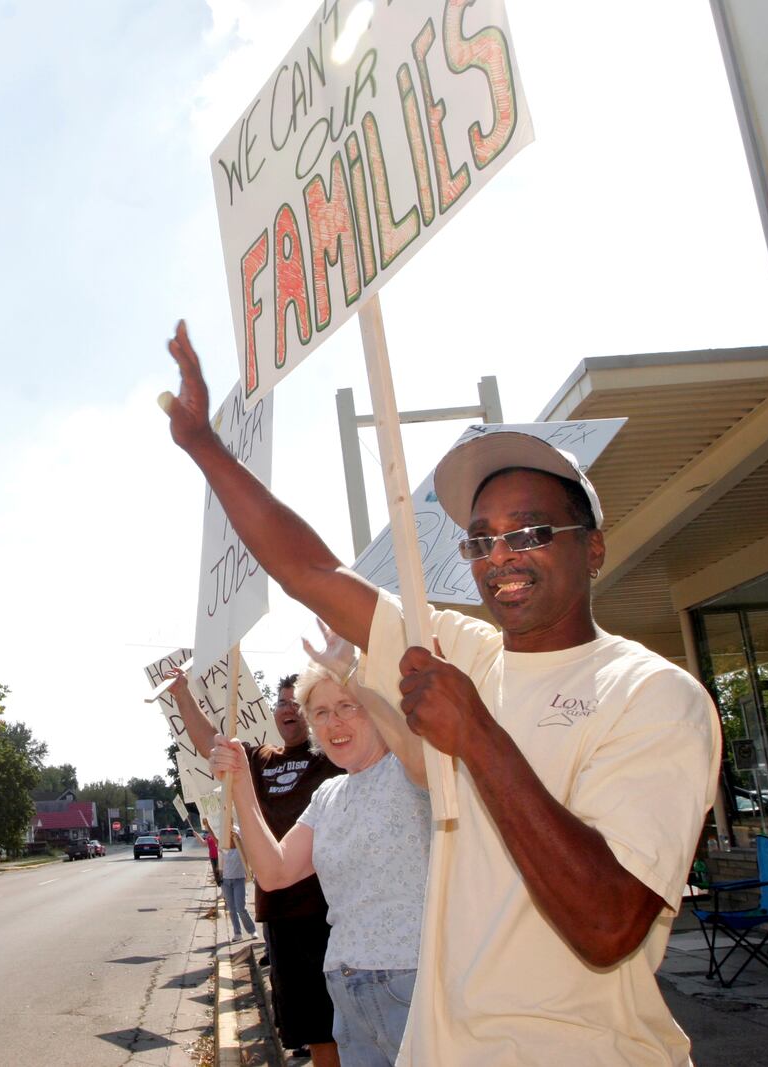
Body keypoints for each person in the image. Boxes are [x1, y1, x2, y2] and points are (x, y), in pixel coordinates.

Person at [162, 322, 720, 1065]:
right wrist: (206, 447)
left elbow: (609, 924)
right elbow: (314, 573)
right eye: (480, 538)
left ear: (592, 547)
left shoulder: (652, 694)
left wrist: (480, 737)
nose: (500, 556)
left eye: (530, 531)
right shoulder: (463, 651)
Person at [211, 644, 429, 1067]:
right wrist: (239, 783)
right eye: (322, 712)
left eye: (349, 705)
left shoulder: (414, 769)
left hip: (413, 986)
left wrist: (356, 667)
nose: (335, 723)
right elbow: (274, 872)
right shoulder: (328, 794)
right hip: (345, 989)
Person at [167, 666, 342, 1067]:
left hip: (329, 912)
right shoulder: (261, 759)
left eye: (298, 703)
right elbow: (212, 741)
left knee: (343, 1025)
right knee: (312, 1029)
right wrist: (182, 694)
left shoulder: (332, 759)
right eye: (281, 702)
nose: (288, 710)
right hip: (280, 911)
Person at [218, 829, 257, 941]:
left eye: (232, 834)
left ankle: (252, 930)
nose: (230, 836)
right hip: (226, 882)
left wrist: (238, 837)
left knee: (241, 907)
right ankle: (237, 933)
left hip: (239, 880)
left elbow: (247, 845)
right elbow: (220, 865)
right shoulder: (223, 849)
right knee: (232, 909)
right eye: (229, 834)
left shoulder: (241, 848)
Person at [203, 818, 220, 884]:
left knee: (219, 872)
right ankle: (220, 886)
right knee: (216, 873)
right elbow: (204, 843)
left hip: (219, 856)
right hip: (212, 856)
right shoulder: (208, 836)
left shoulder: (218, 833)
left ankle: (222, 891)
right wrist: (196, 835)